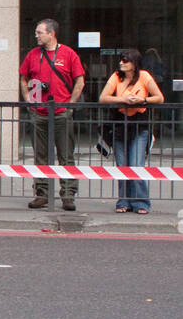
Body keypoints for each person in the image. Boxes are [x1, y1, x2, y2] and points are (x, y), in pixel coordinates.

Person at [19, 18, 85, 212]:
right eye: (36, 32)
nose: (36, 36)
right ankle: (42, 194)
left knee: (66, 155)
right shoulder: (32, 55)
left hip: (61, 112)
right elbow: (24, 79)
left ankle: (67, 195)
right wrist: (28, 99)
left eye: (40, 32)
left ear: (51, 33)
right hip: (39, 113)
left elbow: (79, 81)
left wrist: (70, 106)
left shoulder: (68, 54)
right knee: (40, 156)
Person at [99, 49, 163, 214]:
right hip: (120, 125)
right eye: (121, 60)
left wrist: (143, 100)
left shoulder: (144, 76)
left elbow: (159, 97)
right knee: (122, 165)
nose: (122, 63)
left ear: (134, 63)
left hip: (139, 125)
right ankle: (123, 201)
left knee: (136, 164)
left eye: (125, 60)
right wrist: (123, 100)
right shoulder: (116, 76)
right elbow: (103, 97)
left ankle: (141, 202)